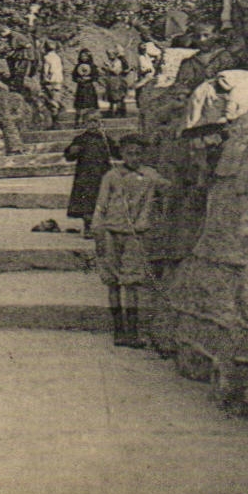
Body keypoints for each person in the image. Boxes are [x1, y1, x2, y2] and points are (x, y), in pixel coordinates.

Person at [91, 135, 166, 348]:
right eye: (129, 153)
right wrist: (97, 231)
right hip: (111, 232)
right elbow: (101, 205)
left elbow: (167, 188)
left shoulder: (150, 175)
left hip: (135, 235)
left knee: (131, 282)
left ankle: (132, 332)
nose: (134, 157)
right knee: (112, 281)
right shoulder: (111, 176)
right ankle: (119, 331)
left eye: (138, 153)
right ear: (122, 154)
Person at [63, 109, 117, 238]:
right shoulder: (80, 139)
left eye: (97, 121)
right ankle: (88, 227)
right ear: (84, 124)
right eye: (90, 122)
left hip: (103, 174)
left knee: (104, 199)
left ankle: (103, 226)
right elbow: (69, 156)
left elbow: (116, 152)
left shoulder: (105, 139)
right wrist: (72, 151)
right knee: (87, 201)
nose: (94, 124)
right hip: (85, 175)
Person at [40, 40, 67, 129]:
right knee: (56, 98)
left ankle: (55, 122)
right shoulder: (58, 57)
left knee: (51, 101)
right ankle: (56, 120)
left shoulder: (46, 57)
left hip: (50, 81)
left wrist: (44, 79)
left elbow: (45, 70)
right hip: (58, 80)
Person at [72, 48, 99, 125]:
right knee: (80, 105)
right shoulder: (77, 66)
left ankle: (87, 121)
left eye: (85, 56)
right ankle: (78, 122)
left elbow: (96, 76)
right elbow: (74, 76)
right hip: (80, 88)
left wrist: (89, 78)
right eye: (82, 56)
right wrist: (78, 79)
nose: (83, 58)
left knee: (89, 105)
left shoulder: (92, 66)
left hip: (89, 88)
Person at [102, 46, 131, 117]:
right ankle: (111, 111)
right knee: (111, 96)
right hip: (111, 80)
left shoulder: (118, 62)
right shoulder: (110, 62)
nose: (109, 56)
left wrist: (108, 68)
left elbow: (116, 72)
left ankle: (119, 111)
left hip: (117, 80)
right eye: (108, 54)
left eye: (111, 54)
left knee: (117, 96)